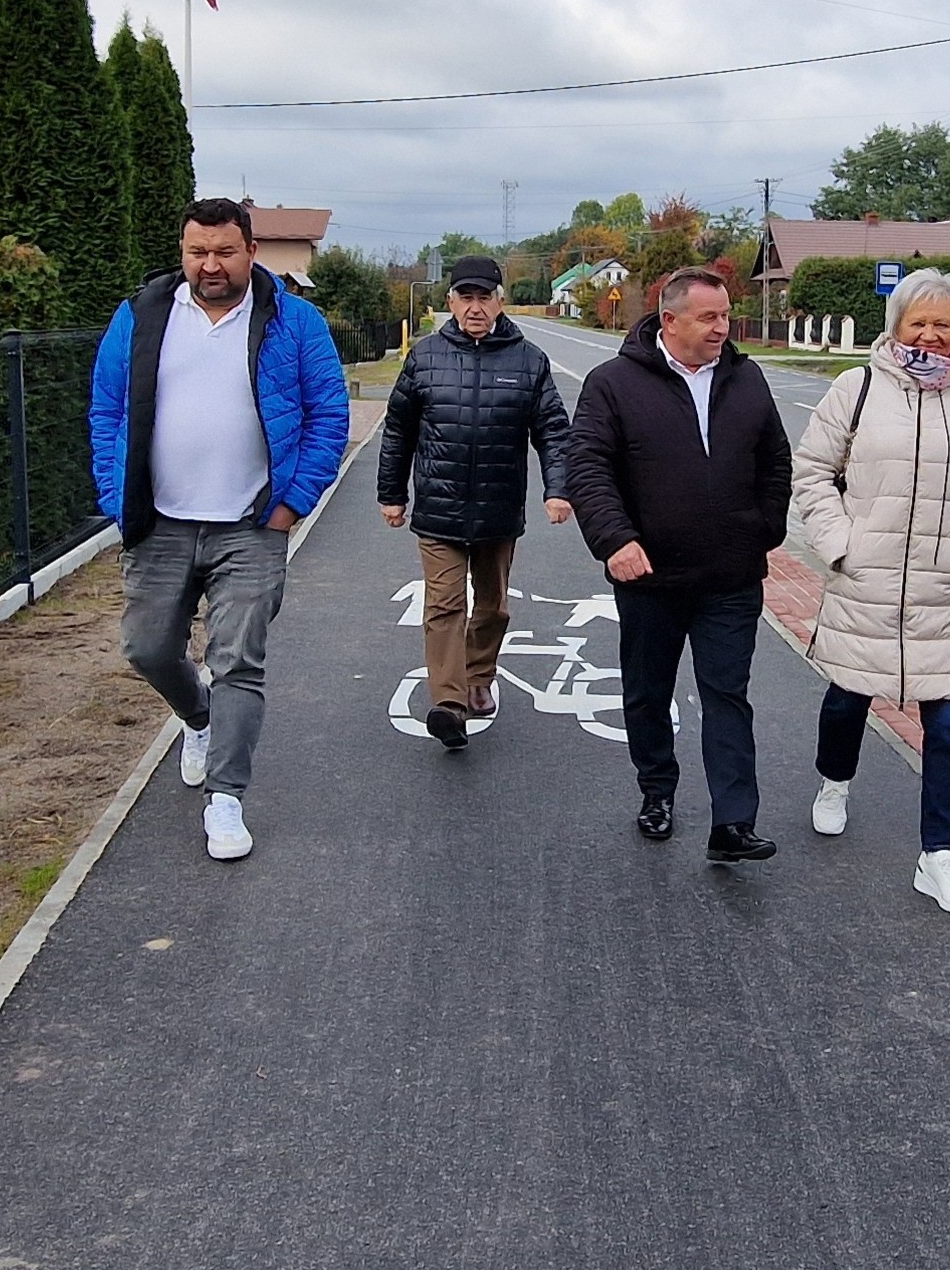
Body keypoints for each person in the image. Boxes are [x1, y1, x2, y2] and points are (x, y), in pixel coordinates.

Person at [90, 197, 350, 863]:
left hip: (251, 524)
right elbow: (107, 408)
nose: (210, 265)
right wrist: (118, 497)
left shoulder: (295, 322)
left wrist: (291, 505)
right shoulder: (141, 315)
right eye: (197, 252)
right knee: (147, 648)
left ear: (250, 252)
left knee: (237, 660)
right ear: (182, 252)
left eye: (224, 252)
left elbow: (328, 412)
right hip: (160, 521)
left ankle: (226, 797)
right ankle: (198, 717)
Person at [790, 269, 950, 916]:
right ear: (896, 326)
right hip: (866, 579)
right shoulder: (856, 387)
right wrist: (841, 543)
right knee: (846, 700)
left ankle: (941, 856)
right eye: (918, 321)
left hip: (945, 590)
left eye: (942, 323)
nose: (930, 333)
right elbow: (812, 471)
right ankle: (834, 779)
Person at [563, 267, 792, 862]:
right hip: (650, 576)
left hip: (731, 578)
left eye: (726, 315)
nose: (723, 328)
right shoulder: (613, 384)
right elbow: (587, 467)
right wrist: (615, 540)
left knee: (727, 695)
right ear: (669, 320)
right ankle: (657, 791)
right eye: (708, 317)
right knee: (647, 692)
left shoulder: (746, 378)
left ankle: (733, 823)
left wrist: (765, 528)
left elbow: (775, 460)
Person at [376, 254, 575, 750]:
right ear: (450, 302)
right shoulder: (425, 357)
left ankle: (479, 674)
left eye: (484, 297)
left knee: (492, 606)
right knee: (445, 604)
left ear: (500, 301)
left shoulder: (528, 360)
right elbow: (398, 430)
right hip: (439, 509)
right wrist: (391, 493)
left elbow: (553, 431)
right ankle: (448, 703)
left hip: (497, 509)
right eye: (465, 298)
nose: (475, 307)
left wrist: (558, 488)